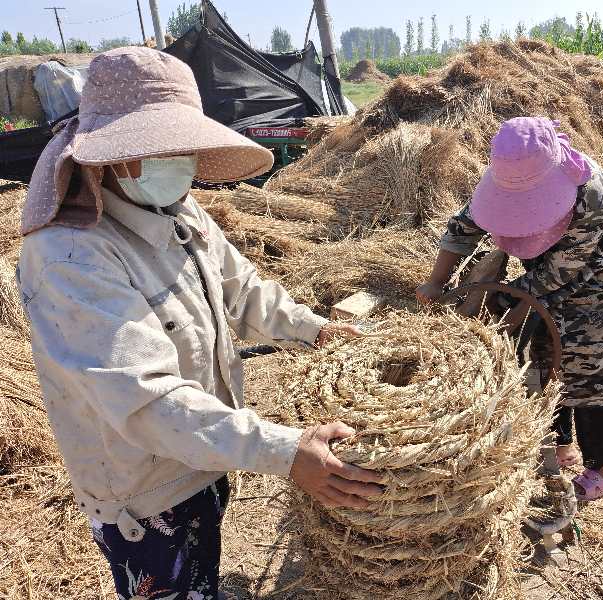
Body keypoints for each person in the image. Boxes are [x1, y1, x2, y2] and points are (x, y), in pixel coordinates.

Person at [17, 47, 382, 600]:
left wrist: (313, 328)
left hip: (206, 450)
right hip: (143, 489)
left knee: (203, 563)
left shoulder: (179, 210)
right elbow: (146, 399)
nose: (180, 162)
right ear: (112, 155)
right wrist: (283, 451)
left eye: (184, 147)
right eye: (162, 148)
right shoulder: (72, 256)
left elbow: (242, 288)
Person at [417, 116, 603, 501]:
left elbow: (553, 278)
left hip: (600, 282)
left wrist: (494, 307)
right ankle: (560, 446)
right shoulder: (507, 176)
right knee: (545, 359)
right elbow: (465, 226)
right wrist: (436, 281)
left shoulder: (590, 192)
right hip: (546, 273)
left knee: (589, 371)